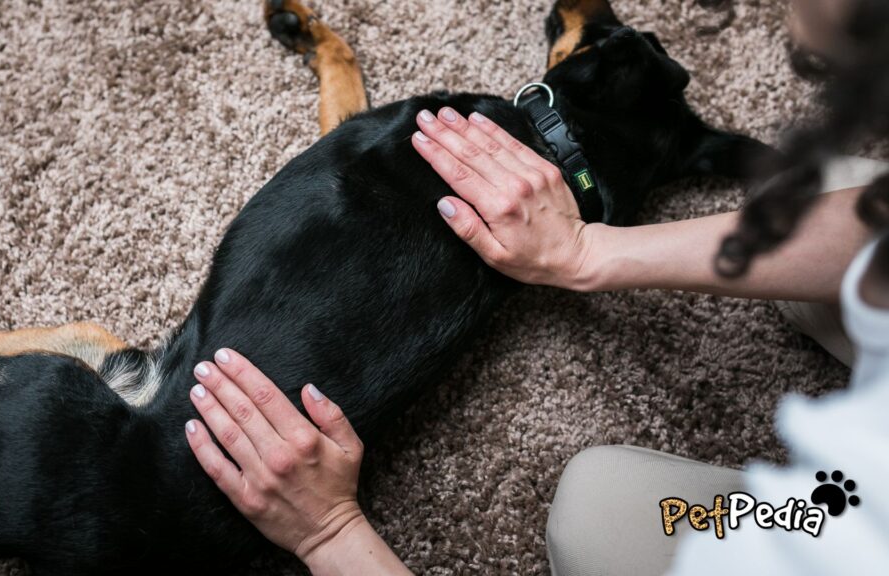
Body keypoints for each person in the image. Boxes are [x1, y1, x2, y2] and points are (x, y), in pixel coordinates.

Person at [184, 0, 889, 573]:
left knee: (597, 510)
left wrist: (328, 534)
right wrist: (585, 252)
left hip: (846, 518)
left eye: (816, 58)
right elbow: (870, 230)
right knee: (831, 195)